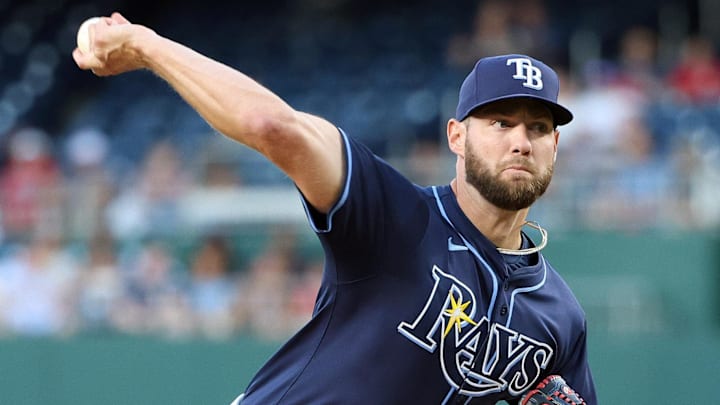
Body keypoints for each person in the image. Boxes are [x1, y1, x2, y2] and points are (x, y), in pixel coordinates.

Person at [73, 12, 597, 404]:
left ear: (556, 145)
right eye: (500, 123)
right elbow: (271, 126)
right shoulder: (396, 216)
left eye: (539, 128)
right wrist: (144, 44)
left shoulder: (558, 317)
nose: (521, 142)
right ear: (456, 137)